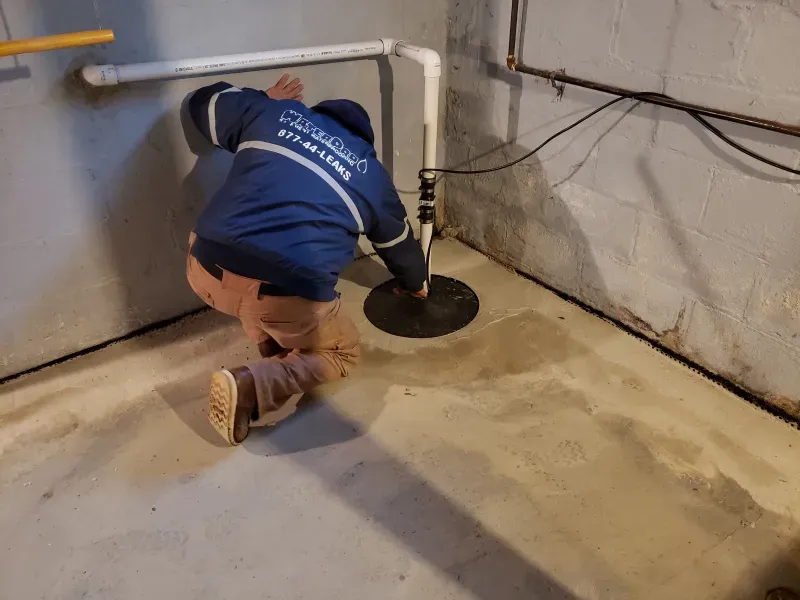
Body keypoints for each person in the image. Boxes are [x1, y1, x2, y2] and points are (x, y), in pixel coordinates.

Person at [185, 74, 427, 445]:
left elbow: (203, 102)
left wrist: (264, 97)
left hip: (202, 269)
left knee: (261, 295)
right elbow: (398, 243)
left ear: (316, 116)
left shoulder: (273, 113)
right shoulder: (370, 174)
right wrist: (417, 283)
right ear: (364, 142)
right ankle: (251, 384)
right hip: (280, 293)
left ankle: (272, 345)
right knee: (341, 352)